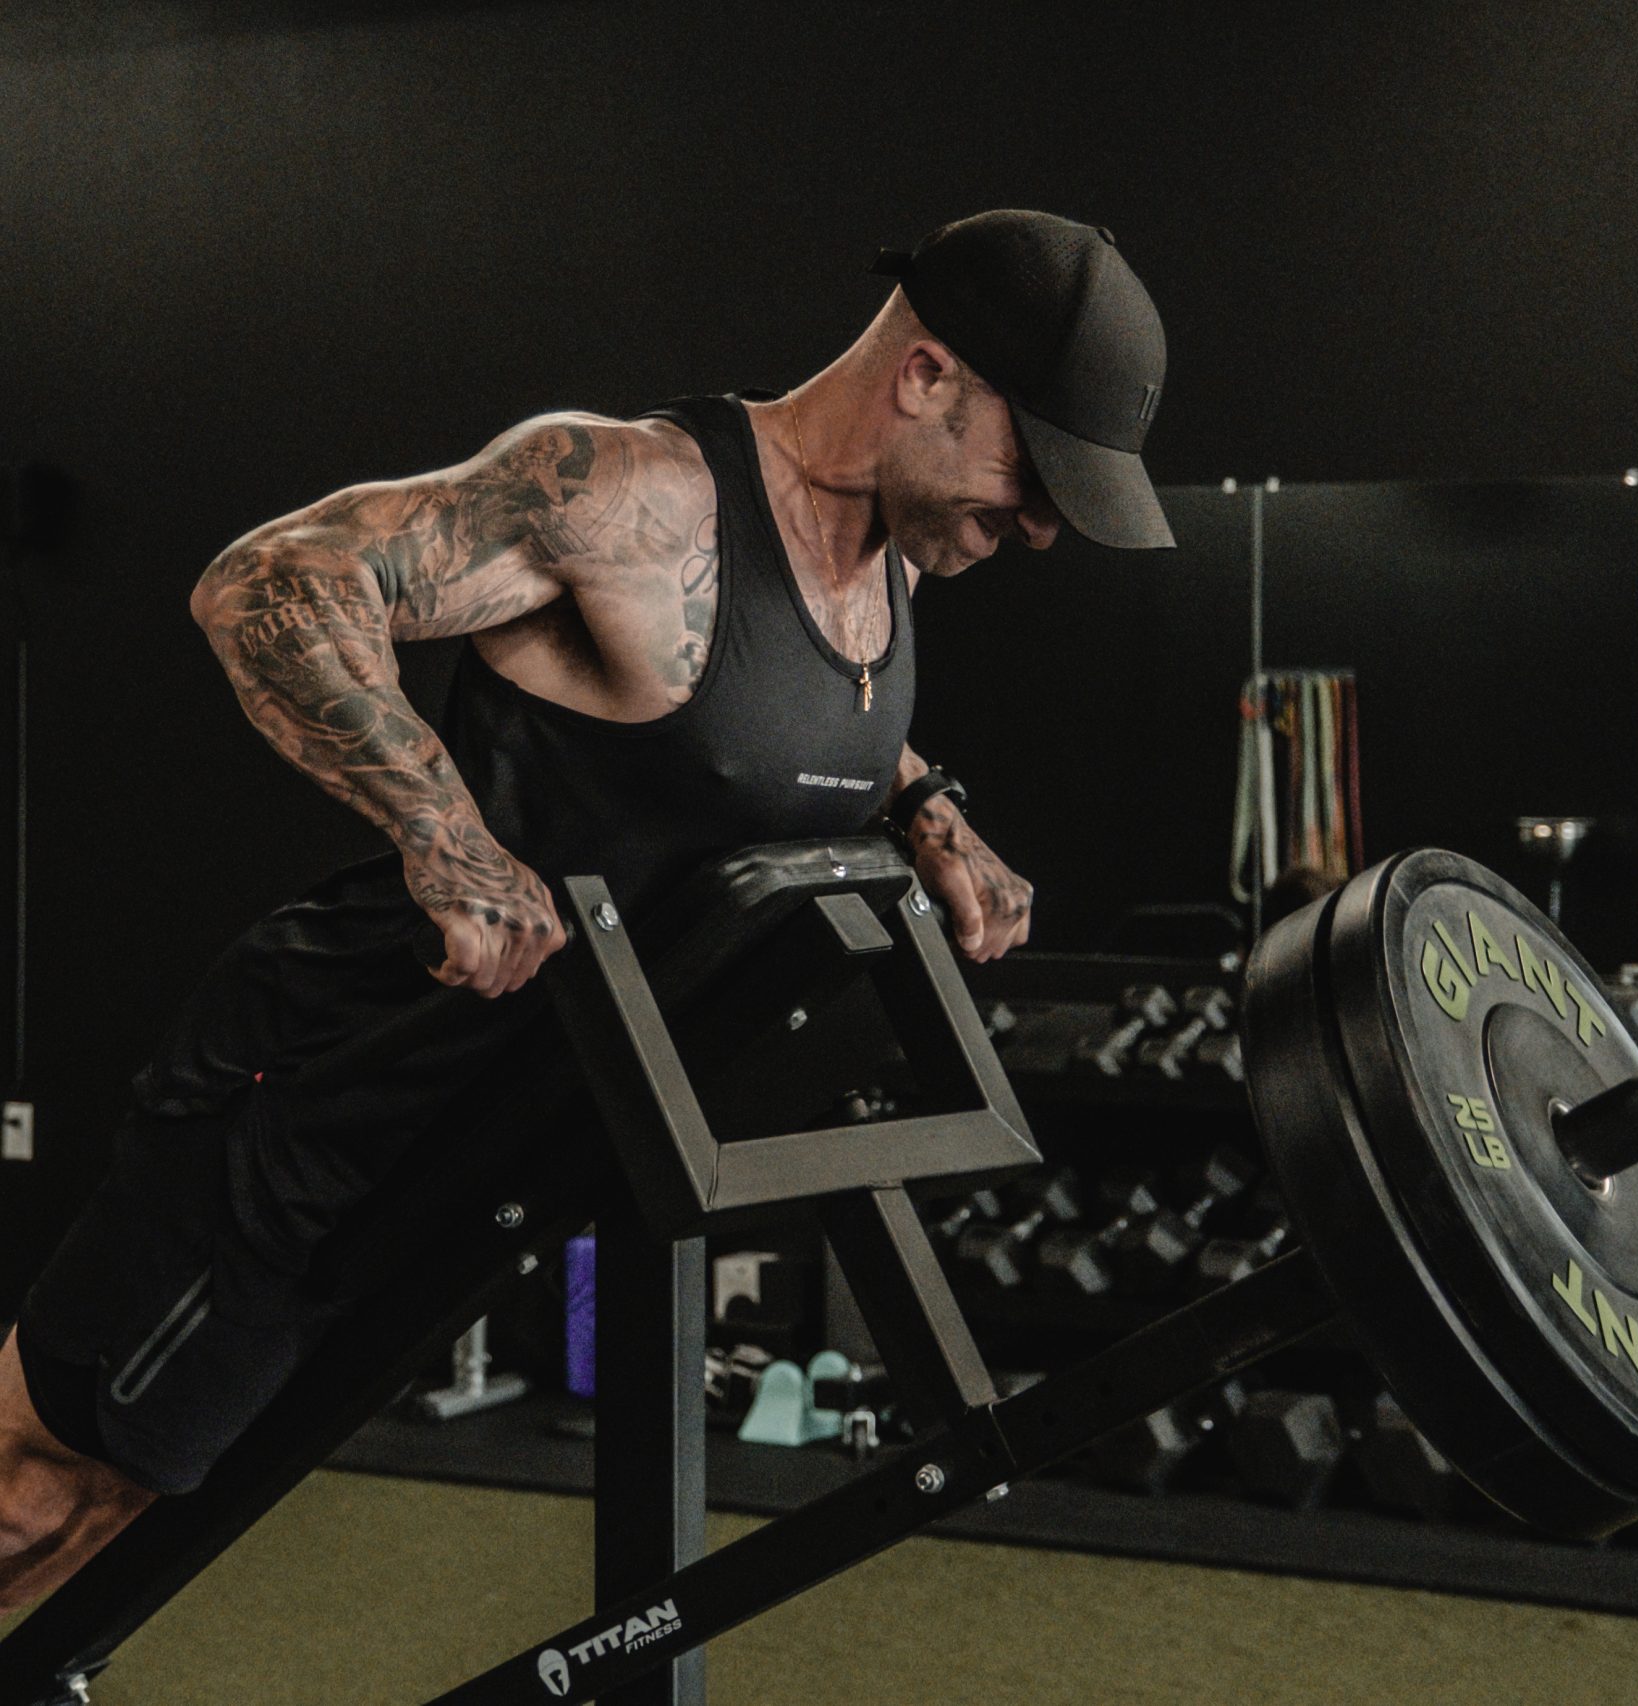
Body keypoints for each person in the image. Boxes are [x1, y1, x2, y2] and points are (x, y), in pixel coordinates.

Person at [0, 208, 1173, 1611]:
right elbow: (270, 578)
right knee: (44, 1487)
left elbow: (744, 734)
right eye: (1032, 472)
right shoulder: (636, 497)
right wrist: (443, 830)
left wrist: (925, 807)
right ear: (926, 377)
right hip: (319, 1105)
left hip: (490, 1138)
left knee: (144, 1527)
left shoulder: (892, 569)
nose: (1039, 525)